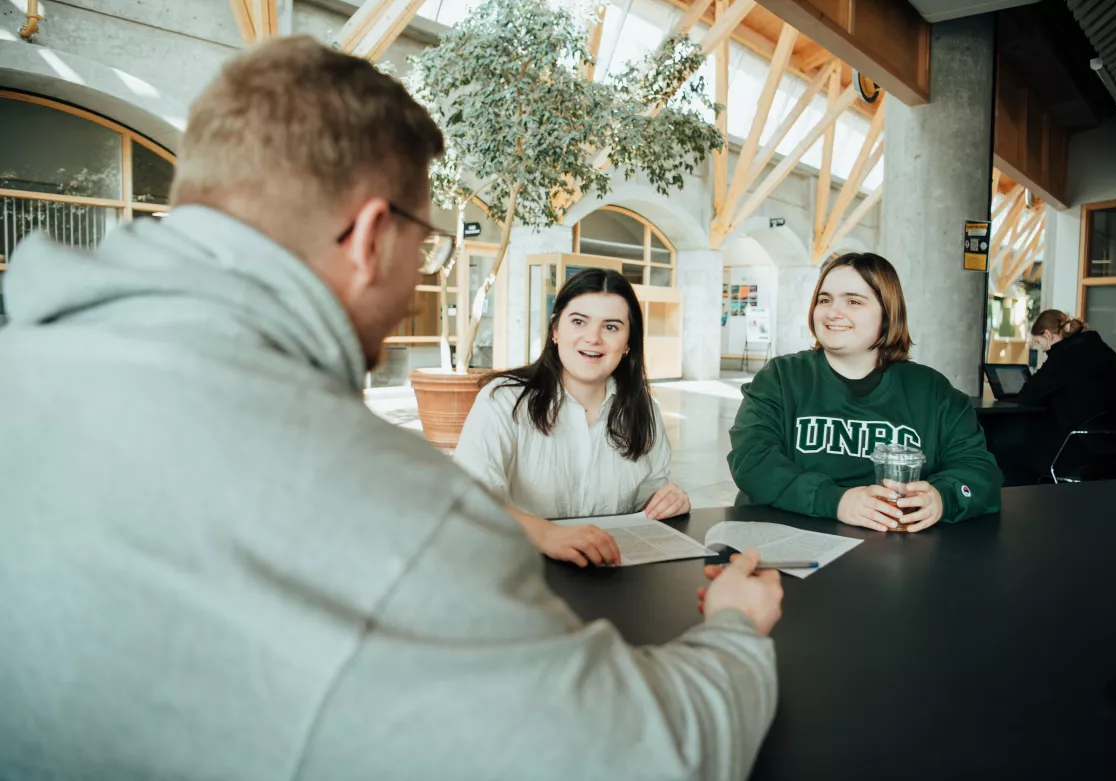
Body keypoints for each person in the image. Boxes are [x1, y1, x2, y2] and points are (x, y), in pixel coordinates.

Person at [0, 37, 784, 781]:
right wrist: (737, 627)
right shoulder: (394, 511)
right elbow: (643, 757)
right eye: (428, 243)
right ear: (372, 236)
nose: (420, 275)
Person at [728, 252, 1002, 533]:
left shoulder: (933, 391)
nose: (833, 312)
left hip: (896, 556)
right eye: (825, 300)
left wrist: (943, 498)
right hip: (787, 544)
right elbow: (752, 461)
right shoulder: (780, 378)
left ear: (888, 313)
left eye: (853, 301)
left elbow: (980, 473)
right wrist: (836, 501)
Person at [455, 267, 690, 567]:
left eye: (611, 327)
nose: (593, 338)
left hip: (611, 575)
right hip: (522, 571)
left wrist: (669, 502)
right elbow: (469, 500)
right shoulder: (503, 400)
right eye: (579, 321)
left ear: (628, 342)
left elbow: (646, 505)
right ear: (556, 330)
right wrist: (547, 535)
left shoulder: (645, 410)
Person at [997, 310, 1116, 485]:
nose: (1042, 350)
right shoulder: (1108, 353)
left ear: (1048, 334)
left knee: (1006, 449)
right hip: (1112, 450)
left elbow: (1027, 396)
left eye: (1039, 342)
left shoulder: (1063, 356)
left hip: (1073, 453)